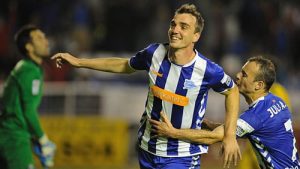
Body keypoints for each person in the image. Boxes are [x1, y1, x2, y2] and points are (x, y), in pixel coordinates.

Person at [51, 4, 241, 169]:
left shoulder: (207, 69)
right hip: (147, 148)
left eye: (184, 27)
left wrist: (230, 135)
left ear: (196, 36)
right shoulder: (154, 53)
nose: (175, 30)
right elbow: (124, 65)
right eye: (173, 24)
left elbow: (232, 91)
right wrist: (78, 62)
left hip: (182, 155)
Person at [150, 56, 300, 168]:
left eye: (244, 75)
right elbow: (248, 129)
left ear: (258, 85)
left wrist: (172, 133)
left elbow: (214, 137)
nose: (237, 75)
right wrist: (210, 124)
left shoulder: (256, 115)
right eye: (241, 71)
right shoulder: (276, 101)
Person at [0, 25, 56, 169]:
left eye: (44, 36)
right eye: (39, 38)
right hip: (14, 138)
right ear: (29, 47)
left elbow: (13, 108)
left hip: (9, 135)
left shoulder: (26, 68)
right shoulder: (29, 71)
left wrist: (33, 137)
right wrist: (43, 139)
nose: (46, 41)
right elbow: (28, 111)